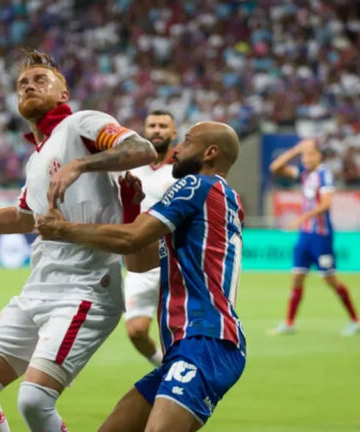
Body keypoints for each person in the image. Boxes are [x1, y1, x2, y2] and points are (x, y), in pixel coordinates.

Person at [0, 49, 156, 432]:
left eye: (40, 79)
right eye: (22, 83)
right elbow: (23, 218)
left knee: (34, 399)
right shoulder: (37, 157)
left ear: (64, 92)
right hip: (39, 288)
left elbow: (143, 148)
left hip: (85, 289)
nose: (28, 85)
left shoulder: (83, 125)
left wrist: (81, 164)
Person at [37, 121, 246, 432]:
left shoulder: (195, 186)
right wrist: (132, 210)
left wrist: (62, 230)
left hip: (204, 340)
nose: (176, 149)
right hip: (189, 346)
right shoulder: (228, 199)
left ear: (210, 152)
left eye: (186, 142)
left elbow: (130, 239)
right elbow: (140, 262)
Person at [268, 139, 360, 336]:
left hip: (321, 236)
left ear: (319, 156)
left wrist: (301, 217)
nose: (307, 158)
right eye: (305, 155)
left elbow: (326, 204)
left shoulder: (324, 174)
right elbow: (275, 168)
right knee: (297, 277)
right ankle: (289, 323)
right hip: (305, 236)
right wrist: (295, 149)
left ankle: (355, 320)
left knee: (330, 279)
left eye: (311, 154)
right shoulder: (305, 174)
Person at [123, 109, 177, 366]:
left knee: (179, 329)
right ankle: (162, 366)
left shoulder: (183, 169)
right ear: (145, 131)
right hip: (140, 262)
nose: (157, 130)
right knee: (135, 331)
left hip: (175, 260)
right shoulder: (131, 169)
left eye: (163, 126)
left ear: (174, 133)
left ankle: (183, 378)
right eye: (152, 125)